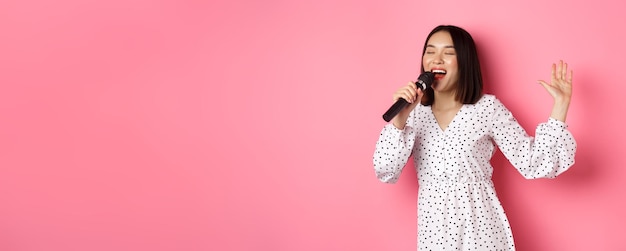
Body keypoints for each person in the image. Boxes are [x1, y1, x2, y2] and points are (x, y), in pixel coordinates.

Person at [373, 25, 576, 250]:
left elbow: (533, 162)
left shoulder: (487, 108)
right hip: (434, 235)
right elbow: (385, 170)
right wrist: (400, 119)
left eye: (448, 53)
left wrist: (561, 104)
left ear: (465, 62)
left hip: (481, 232)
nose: (436, 59)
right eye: (430, 51)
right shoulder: (413, 113)